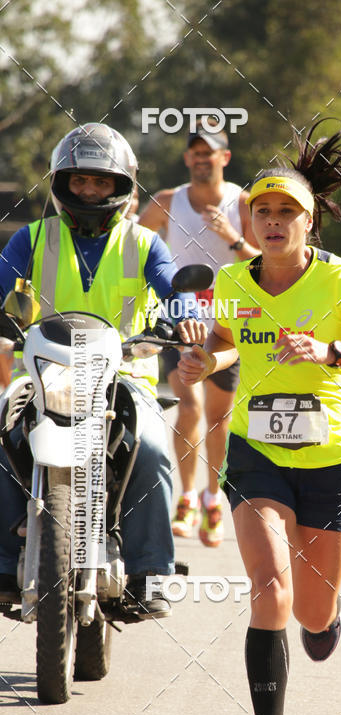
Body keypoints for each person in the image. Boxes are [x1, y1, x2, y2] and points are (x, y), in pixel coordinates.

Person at [178, 120, 341, 715]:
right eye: (264, 211)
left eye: (288, 212)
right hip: (256, 453)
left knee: (310, 613)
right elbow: (224, 345)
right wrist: (201, 361)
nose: (275, 222)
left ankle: (326, 615)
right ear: (249, 218)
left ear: (311, 222)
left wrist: (332, 353)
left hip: (329, 457)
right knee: (269, 589)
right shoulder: (233, 281)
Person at [0, 123, 205, 619]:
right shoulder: (32, 238)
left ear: (121, 187)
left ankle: (151, 570)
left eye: (101, 182)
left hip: (125, 376)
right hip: (43, 373)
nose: (90, 190)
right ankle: (5, 563)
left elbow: (175, 289)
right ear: (62, 183)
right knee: (1, 429)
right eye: (80, 181)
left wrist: (188, 317)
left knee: (154, 446)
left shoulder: (144, 243)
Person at [139, 127, 259, 545]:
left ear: (225, 158)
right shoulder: (167, 202)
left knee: (219, 418)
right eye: (195, 153)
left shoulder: (242, 203)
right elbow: (133, 247)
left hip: (227, 323)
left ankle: (213, 499)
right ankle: (186, 497)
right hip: (179, 320)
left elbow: (267, 260)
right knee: (187, 408)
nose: (202, 159)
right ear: (187, 159)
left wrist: (234, 238)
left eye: (210, 153)